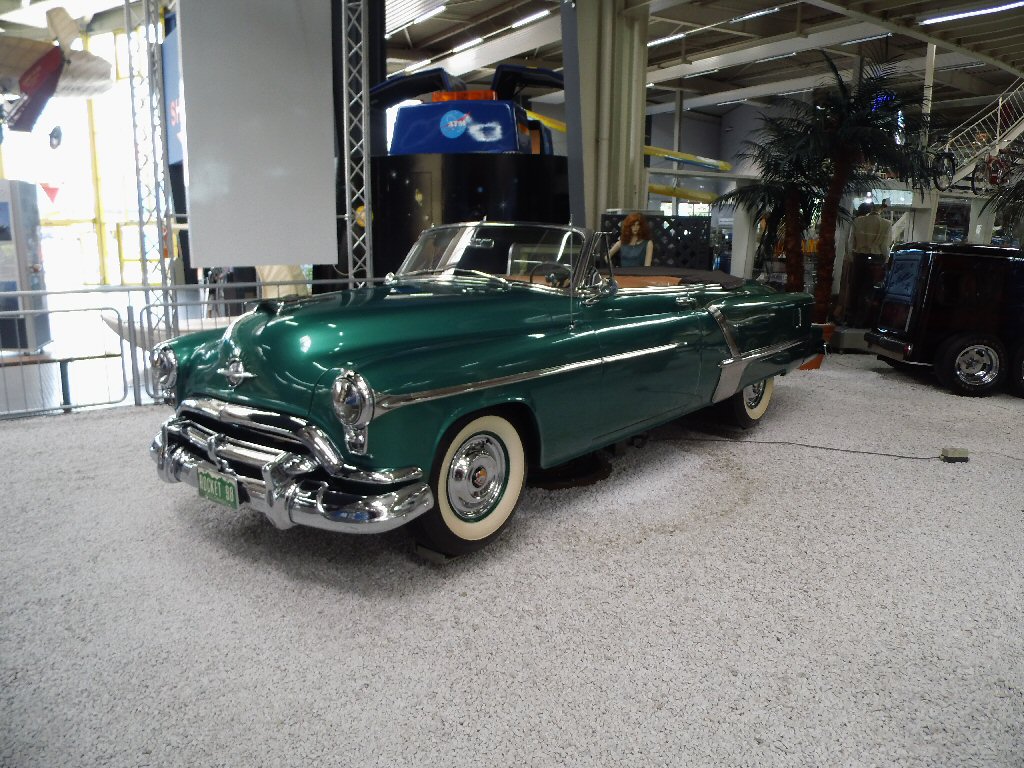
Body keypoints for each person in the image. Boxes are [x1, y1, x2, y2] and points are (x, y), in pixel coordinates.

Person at [843, 202, 893, 326]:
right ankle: (864, 320)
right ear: (880, 209)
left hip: (859, 257)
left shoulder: (857, 221)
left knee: (855, 287)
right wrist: (886, 260)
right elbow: (885, 246)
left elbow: (850, 242)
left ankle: (851, 319)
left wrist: (851, 257)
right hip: (876, 258)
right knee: (870, 289)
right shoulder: (886, 224)